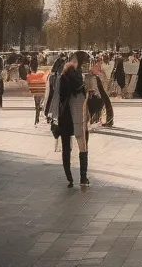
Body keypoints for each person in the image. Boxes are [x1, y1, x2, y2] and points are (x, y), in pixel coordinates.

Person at [58, 51, 91, 187]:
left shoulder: (62, 77)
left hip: (65, 117)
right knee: (82, 145)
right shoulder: (82, 80)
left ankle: (69, 177)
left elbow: (58, 98)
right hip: (79, 117)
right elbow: (86, 98)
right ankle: (83, 177)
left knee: (66, 147)